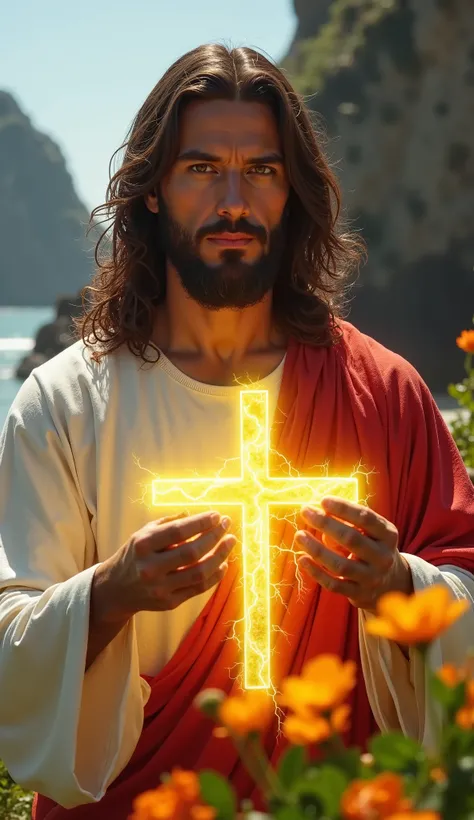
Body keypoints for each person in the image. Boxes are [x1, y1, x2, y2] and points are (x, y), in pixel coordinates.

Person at [1, 43, 474, 820]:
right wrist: (112, 594)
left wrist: (396, 585)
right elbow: (8, 650)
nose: (233, 200)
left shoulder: (383, 394)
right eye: (200, 169)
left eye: (261, 169)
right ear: (153, 191)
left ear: (293, 192)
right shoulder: (67, 404)